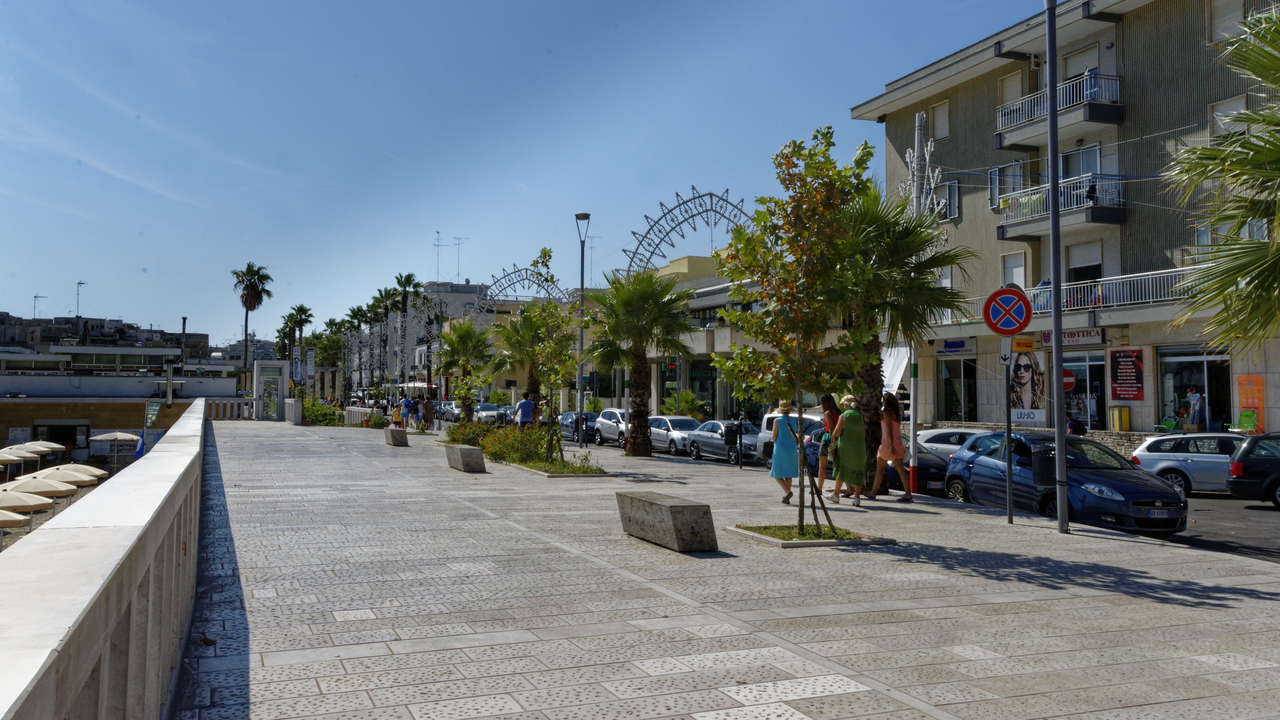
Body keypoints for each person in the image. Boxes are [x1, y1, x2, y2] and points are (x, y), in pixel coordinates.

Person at [870, 392, 910, 502]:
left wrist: (891, 445)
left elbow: (889, 430)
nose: (882, 401)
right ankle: (908, 493)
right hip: (898, 443)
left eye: (883, 399)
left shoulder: (886, 413)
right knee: (901, 470)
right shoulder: (896, 414)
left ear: (886, 401)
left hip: (887, 444)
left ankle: (873, 492)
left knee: (879, 469)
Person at [828, 395, 866, 507]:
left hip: (846, 449)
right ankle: (857, 498)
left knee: (842, 470)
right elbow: (864, 434)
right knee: (858, 472)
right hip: (860, 449)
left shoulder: (844, 416)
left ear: (845, 405)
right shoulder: (860, 416)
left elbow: (837, 433)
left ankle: (835, 495)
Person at [770, 399, 799, 504]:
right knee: (788, 474)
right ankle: (787, 496)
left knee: (776, 473)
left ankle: (787, 491)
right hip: (792, 449)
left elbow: (774, 437)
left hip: (780, 449)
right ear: (790, 410)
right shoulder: (794, 420)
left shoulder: (777, 421)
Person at [815, 394, 840, 501]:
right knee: (838, 465)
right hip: (838, 438)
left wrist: (832, 444)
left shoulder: (827, 413)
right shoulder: (838, 412)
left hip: (828, 439)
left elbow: (831, 429)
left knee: (822, 465)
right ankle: (849, 488)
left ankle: (819, 489)